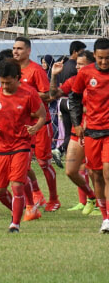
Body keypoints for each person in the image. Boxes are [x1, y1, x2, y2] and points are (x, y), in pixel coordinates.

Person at [0, 59, 46, 233]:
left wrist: (35, 127)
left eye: (9, 83)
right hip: (1, 147)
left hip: (21, 144)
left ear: (17, 78)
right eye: (2, 82)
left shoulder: (29, 94)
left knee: (17, 185)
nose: (5, 86)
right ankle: (21, 208)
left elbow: (42, 115)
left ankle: (15, 224)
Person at [13, 37, 60, 211]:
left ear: (28, 51)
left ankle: (54, 199)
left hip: (40, 124)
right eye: (14, 48)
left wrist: (27, 93)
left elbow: (48, 96)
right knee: (21, 164)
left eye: (19, 48)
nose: (15, 51)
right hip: (22, 126)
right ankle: (37, 195)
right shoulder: (12, 69)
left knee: (43, 163)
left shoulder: (36, 70)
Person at [50, 51, 97, 214]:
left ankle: (100, 206)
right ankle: (91, 197)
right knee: (71, 171)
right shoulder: (74, 81)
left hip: (96, 131)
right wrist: (54, 76)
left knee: (94, 170)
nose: (76, 67)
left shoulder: (99, 80)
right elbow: (53, 95)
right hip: (77, 132)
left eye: (81, 64)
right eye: (76, 64)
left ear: (93, 64)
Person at [70, 38, 109, 233]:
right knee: (96, 176)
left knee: (108, 172)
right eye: (101, 58)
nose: (104, 62)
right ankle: (105, 218)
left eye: (107, 58)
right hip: (92, 131)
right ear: (95, 56)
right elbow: (74, 97)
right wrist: (77, 124)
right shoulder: (86, 73)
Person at [54, 41, 87, 163]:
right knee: (72, 130)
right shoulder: (74, 72)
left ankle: (62, 149)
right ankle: (62, 149)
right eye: (81, 52)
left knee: (68, 131)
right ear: (75, 52)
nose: (77, 67)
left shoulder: (66, 65)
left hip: (62, 102)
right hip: (69, 101)